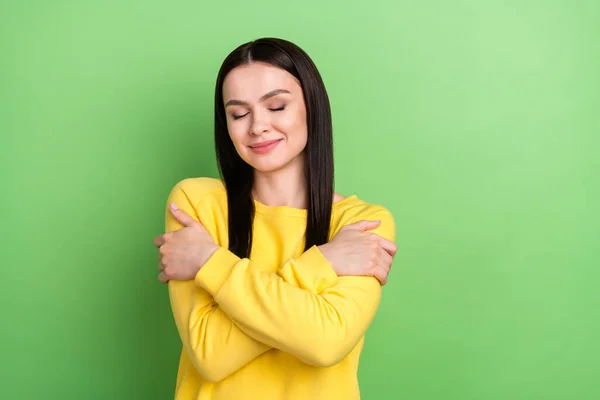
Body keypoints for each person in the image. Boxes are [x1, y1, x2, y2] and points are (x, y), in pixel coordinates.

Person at [153, 37, 398, 400]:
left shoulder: (361, 224)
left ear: (311, 107)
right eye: (239, 114)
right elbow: (211, 354)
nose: (257, 126)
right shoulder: (196, 202)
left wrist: (209, 260)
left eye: (277, 106)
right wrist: (324, 263)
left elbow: (324, 344)